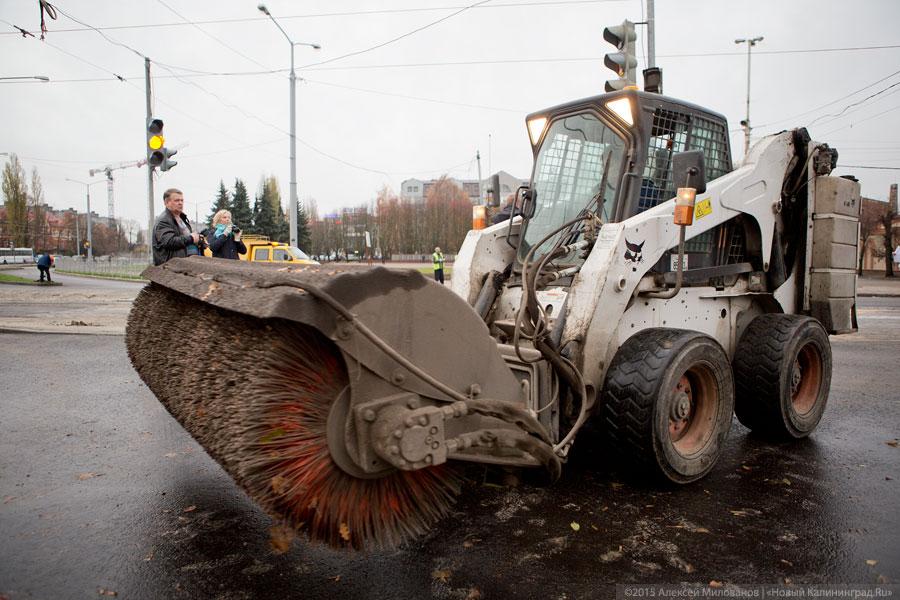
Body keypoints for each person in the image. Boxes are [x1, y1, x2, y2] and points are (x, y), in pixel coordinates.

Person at [152, 188, 206, 266]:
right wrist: (191, 238)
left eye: (182, 200)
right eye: (177, 200)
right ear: (166, 203)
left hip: (185, 265)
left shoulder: (182, 219)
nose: (180, 203)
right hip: (169, 268)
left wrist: (197, 239)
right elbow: (170, 241)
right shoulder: (163, 221)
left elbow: (185, 241)